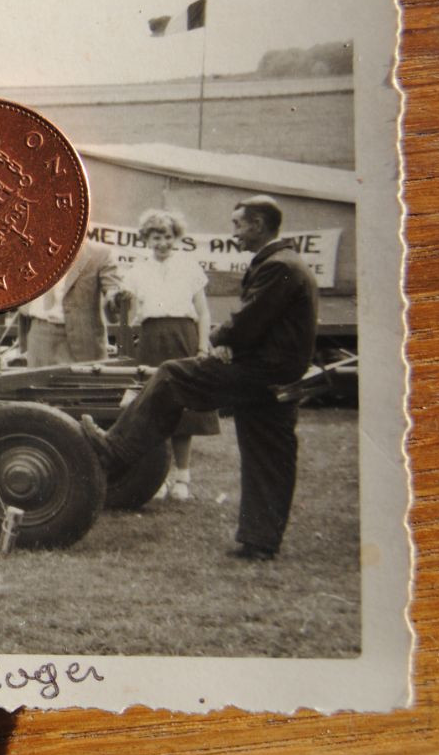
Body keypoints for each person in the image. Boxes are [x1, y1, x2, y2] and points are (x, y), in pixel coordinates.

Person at [82, 196, 318, 560]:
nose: (234, 232)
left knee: (172, 374)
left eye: (238, 224)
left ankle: (116, 451)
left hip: (260, 372)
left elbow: (252, 318)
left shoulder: (277, 265)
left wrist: (220, 341)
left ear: (257, 225)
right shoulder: (287, 262)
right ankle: (259, 542)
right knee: (269, 455)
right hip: (275, 374)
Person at [118, 209, 219, 501]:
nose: (162, 242)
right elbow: (133, 314)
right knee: (153, 408)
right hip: (151, 339)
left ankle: (182, 477)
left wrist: (202, 347)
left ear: (176, 238)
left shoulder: (190, 267)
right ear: (146, 239)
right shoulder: (137, 271)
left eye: (167, 236)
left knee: (183, 409)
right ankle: (158, 478)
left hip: (183, 335)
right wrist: (122, 304)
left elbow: (202, 312)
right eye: (155, 236)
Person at [17, 240, 124, 366]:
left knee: (85, 384)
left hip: (83, 344)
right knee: (37, 384)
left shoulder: (100, 253)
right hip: (40, 339)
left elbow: (113, 289)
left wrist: (116, 298)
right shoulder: (32, 250)